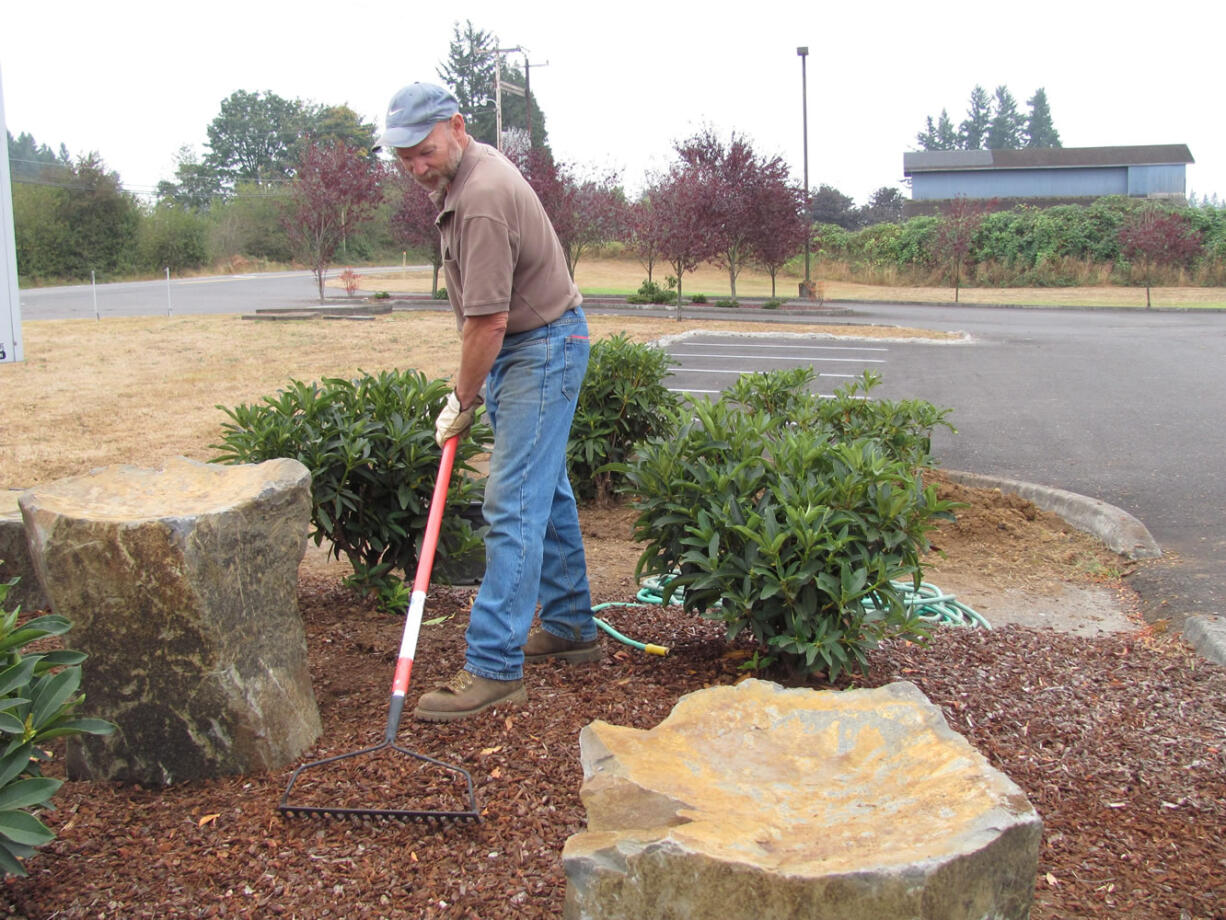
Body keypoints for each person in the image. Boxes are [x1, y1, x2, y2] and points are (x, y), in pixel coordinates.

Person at [375, 82, 601, 722]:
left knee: (512, 503)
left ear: (456, 125)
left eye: (423, 151)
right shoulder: (460, 181)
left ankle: (495, 668)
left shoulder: (479, 195)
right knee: (543, 490)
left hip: (540, 348)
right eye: (403, 158)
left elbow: (487, 323)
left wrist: (460, 398)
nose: (416, 166)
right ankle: (571, 627)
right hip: (530, 346)